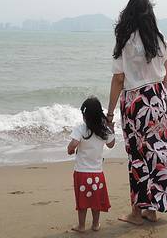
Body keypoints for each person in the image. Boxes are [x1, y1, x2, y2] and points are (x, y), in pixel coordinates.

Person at [106, 0, 167, 226]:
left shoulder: (125, 40)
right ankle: (152, 210)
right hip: (158, 99)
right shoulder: (159, 38)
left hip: (135, 103)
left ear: (128, 14)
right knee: (157, 153)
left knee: (137, 156)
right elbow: (166, 74)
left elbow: (118, 79)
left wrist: (110, 113)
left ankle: (137, 213)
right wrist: (160, 101)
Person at [67, 96, 115, 233]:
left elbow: (74, 144)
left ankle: (81, 226)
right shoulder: (104, 130)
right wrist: (111, 129)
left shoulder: (81, 129)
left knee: (82, 202)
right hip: (97, 174)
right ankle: (95, 224)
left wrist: (70, 149)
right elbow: (111, 144)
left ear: (85, 116)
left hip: (81, 173)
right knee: (96, 201)